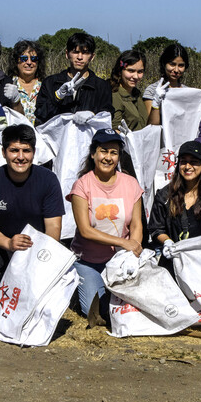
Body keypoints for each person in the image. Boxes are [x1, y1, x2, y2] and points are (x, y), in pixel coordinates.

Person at [0, 125, 64, 297]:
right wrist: (9, 243)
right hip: (2, 244)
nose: (20, 157)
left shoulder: (48, 180)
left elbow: (53, 228)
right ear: (3, 152)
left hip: (37, 246)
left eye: (26, 151)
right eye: (14, 150)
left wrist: (39, 253)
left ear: (34, 153)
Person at [67, 129, 144, 318]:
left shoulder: (131, 183)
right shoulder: (82, 185)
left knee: (133, 307)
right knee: (95, 311)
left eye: (114, 152)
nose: (108, 157)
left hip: (120, 260)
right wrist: (123, 242)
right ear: (93, 154)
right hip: (88, 261)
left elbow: (136, 224)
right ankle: (79, 288)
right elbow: (85, 230)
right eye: (103, 151)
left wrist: (132, 250)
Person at [35, 32, 112, 124]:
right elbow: (40, 114)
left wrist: (93, 115)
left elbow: (107, 117)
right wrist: (57, 97)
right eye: (75, 52)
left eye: (85, 53)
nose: (80, 57)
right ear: (67, 54)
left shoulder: (102, 86)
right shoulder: (51, 82)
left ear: (92, 57)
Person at [143, 43, 190, 126]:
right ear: (164, 64)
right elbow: (151, 126)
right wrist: (156, 104)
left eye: (181, 65)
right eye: (172, 64)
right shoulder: (152, 90)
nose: (176, 70)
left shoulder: (188, 91)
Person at [7, 40, 46, 124]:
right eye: (24, 58)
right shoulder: (8, 85)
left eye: (34, 59)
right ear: (16, 62)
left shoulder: (45, 86)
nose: (29, 62)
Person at [109, 49, 148, 130]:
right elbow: (115, 128)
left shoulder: (136, 93)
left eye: (140, 72)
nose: (136, 76)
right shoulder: (115, 94)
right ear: (120, 71)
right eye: (131, 71)